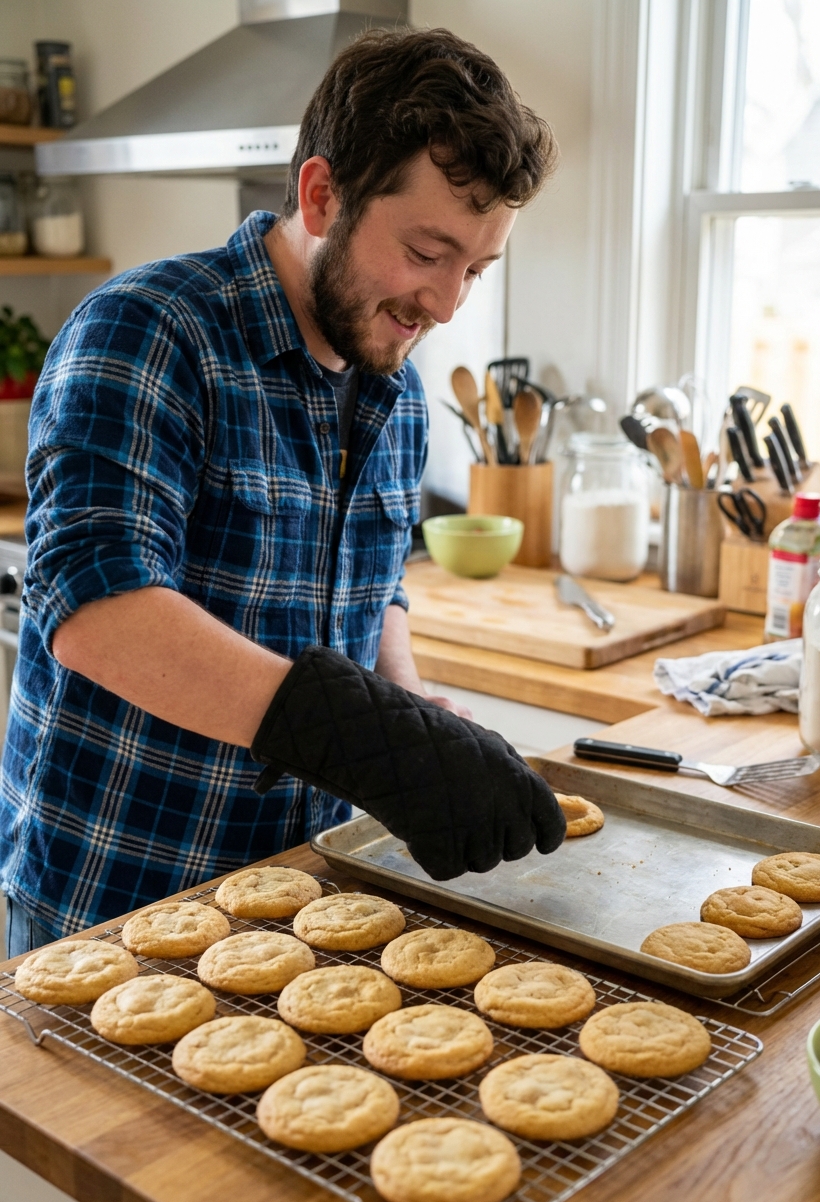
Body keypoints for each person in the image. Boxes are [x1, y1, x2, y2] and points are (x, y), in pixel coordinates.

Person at [0, 27, 563, 959]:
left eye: (475, 267)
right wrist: (362, 737)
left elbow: (373, 586)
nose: (448, 303)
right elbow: (94, 605)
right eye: (427, 251)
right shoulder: (149, 331)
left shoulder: (400, 389)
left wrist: (415, 717)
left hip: (303, 896)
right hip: (116, 906)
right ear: (320, 194)